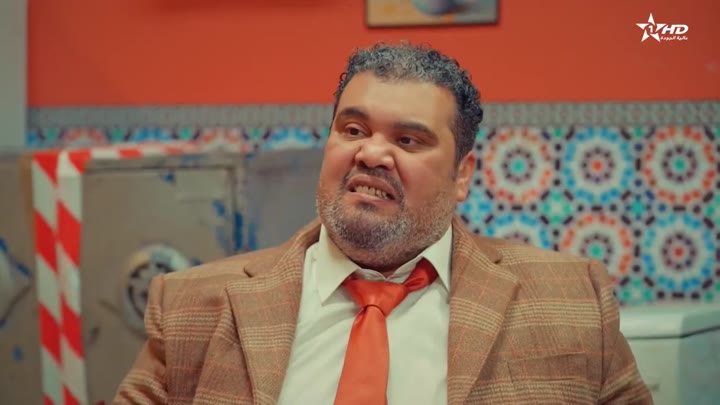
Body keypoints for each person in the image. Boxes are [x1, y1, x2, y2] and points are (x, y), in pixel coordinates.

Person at [115, 42, 653, 404]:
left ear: (462, 175)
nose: (371, 153)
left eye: (408, 140)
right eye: (353, 130)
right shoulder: (191, 308)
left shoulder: (573, 301)